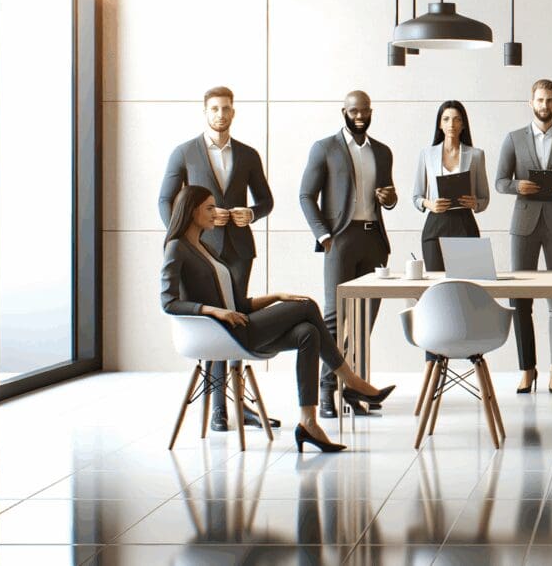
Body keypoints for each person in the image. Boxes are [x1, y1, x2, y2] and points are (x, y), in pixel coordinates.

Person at [162, 186, 394, 453]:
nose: (217, 213)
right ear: (191, 211)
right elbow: (168, 302)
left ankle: (308, 422)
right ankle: (351, 381)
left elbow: (239, 305)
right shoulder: (176, 248)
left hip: (237, 324)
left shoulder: (205, 248)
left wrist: (276, 296)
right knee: (307, 305)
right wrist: (212, 311)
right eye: (210, 208)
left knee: (309, 332)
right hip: (225, 333)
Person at [158, 86, 276, 433]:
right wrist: (184, 239)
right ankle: (219, 409)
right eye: (214, 109)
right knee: (214, 323)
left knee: (237, 319)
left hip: (239, 251)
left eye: (225, 109)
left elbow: (266, 201)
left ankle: (239, 405)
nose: (220, 115)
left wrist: (249, 214)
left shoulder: (248, 155)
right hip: (202, 253)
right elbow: (166, 200)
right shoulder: (184, 153)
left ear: (233, 112)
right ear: (204, 112)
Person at [299, 90, 398, 418]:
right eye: (354, 110)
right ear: (344, 111)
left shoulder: (382, 152)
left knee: (363, 321)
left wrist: (389, 197)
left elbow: (389, 197)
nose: (360, 115)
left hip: (374, 241)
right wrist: (323, 234)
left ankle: (353, 389)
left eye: (365, 110)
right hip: (339, 241)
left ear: (371, 112)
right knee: (335, 318)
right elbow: (306, 195)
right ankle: (326, 391)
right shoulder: (325, 148)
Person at [495, 79, 552, 394]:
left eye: (550, 100)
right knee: (520, 301)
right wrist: (518, 186)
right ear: (530, 102)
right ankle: (527, 369)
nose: (544, 105)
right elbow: (499, 182)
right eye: (540, 100)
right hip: (523, 225)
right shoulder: (514, 139)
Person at [411, 100, 491, 363]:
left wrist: (474, 203)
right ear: (439, 123)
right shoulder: (426, 154)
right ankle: (432, 363)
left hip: (465, 226)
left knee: (469, 294)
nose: (451, 124)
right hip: (435, 226)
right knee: (434, 296)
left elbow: (484, 198)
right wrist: (429, 203)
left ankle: (473, 356)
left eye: (456, 119)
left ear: (463, 124)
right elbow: (416, 196)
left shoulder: (476, 155)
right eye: (446, 119)